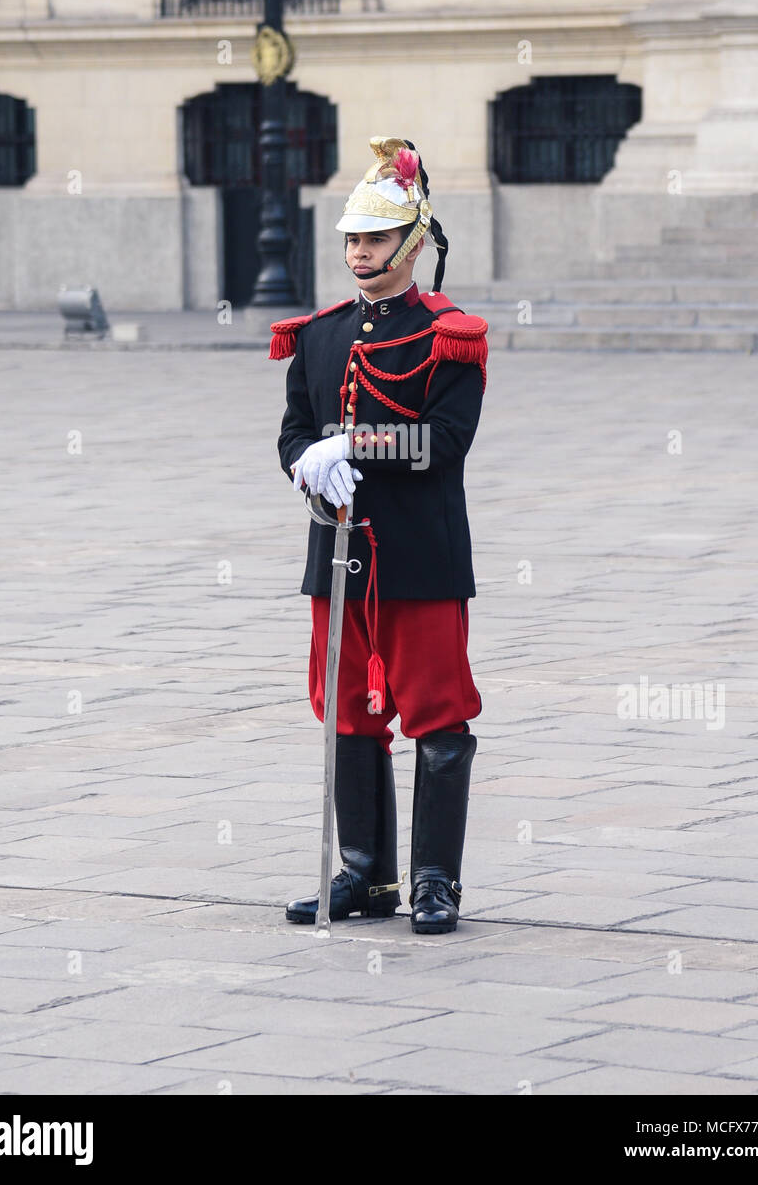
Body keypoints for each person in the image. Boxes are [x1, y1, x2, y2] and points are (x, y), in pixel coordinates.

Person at [270, 136, 488, 934]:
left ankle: (434, 881)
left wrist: (352, 447)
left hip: (419, 557)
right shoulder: (319, 334)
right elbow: (293, 433)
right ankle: (365, 875)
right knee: (344, 711)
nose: (360, 253)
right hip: (337, 555)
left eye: (375, 238)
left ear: (414, 242)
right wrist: (306, 463)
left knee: (436, 710)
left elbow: (442, 442)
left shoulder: (450, 333)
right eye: (352, 240)